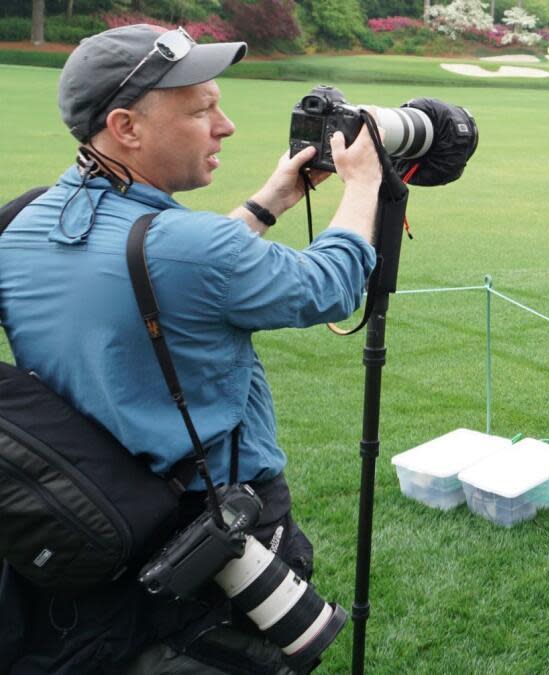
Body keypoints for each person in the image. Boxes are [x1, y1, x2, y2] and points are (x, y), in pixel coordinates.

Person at [0, 24, 381, 674]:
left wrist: (267, 203)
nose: (225, 125)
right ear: (126, 126)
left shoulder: (21, 221)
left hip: (87, 520)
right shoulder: (192, 246)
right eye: (203, 109)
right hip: (218, 528)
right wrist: (364, 185)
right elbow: (330, 286)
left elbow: (153, 272)